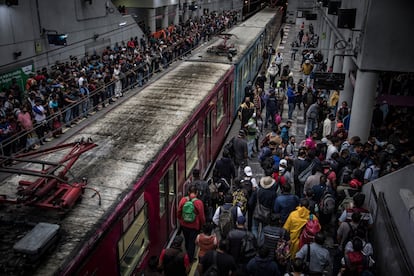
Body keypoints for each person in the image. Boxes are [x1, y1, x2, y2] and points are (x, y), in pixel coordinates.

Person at [177, 185, 206, 261]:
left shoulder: (183, 200)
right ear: (196, 193)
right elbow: (201, 216)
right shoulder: (199, 202)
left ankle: (187, 254)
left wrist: (181, 219)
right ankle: (190, 259)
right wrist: (203, 224)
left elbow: (179, 212)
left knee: (186, 240)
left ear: (189, 192)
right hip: (194, 226)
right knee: (192, 242)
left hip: (184, 225)